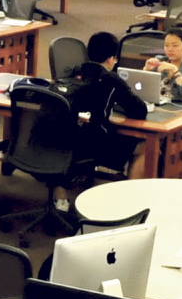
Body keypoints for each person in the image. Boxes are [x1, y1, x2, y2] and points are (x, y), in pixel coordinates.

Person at [54, 31, 149, 206]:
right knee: (143, 146)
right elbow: (139, 110)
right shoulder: (111, 79)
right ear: (112, 58)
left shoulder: (71, 71)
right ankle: (131, 202)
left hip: (62, 138)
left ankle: (60, 196)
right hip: (94, 143)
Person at [143, 23, 182, 102]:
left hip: (179, 110)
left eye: (175, 45)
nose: (170, 49)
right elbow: (142, 89)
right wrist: (146, 70)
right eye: (166, 45)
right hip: (156, 106)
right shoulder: (158, 62)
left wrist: (175, 71)